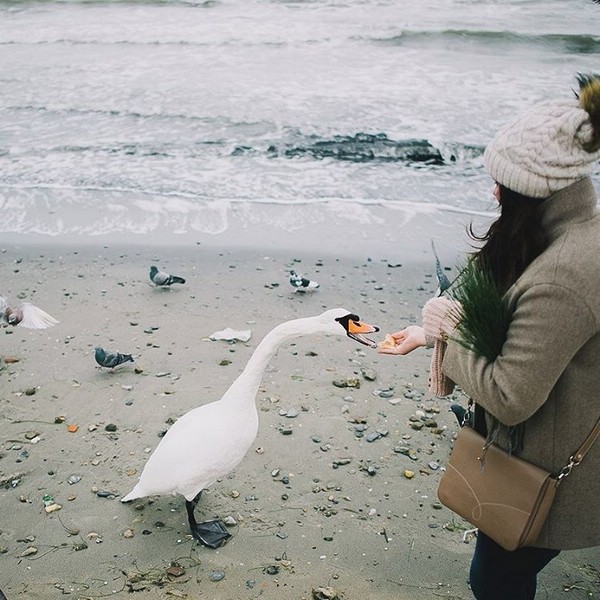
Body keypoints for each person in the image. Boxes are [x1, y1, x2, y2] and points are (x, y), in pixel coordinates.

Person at [378, 73, 600, 599]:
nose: (493, 191)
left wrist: (447, 338)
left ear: (537, 189)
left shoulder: (566, 273)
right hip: (565, 426)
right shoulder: (563, 232)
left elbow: (510, 395)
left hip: (552, 462)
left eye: (503, 182)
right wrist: (423, 332)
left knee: (496, 580)